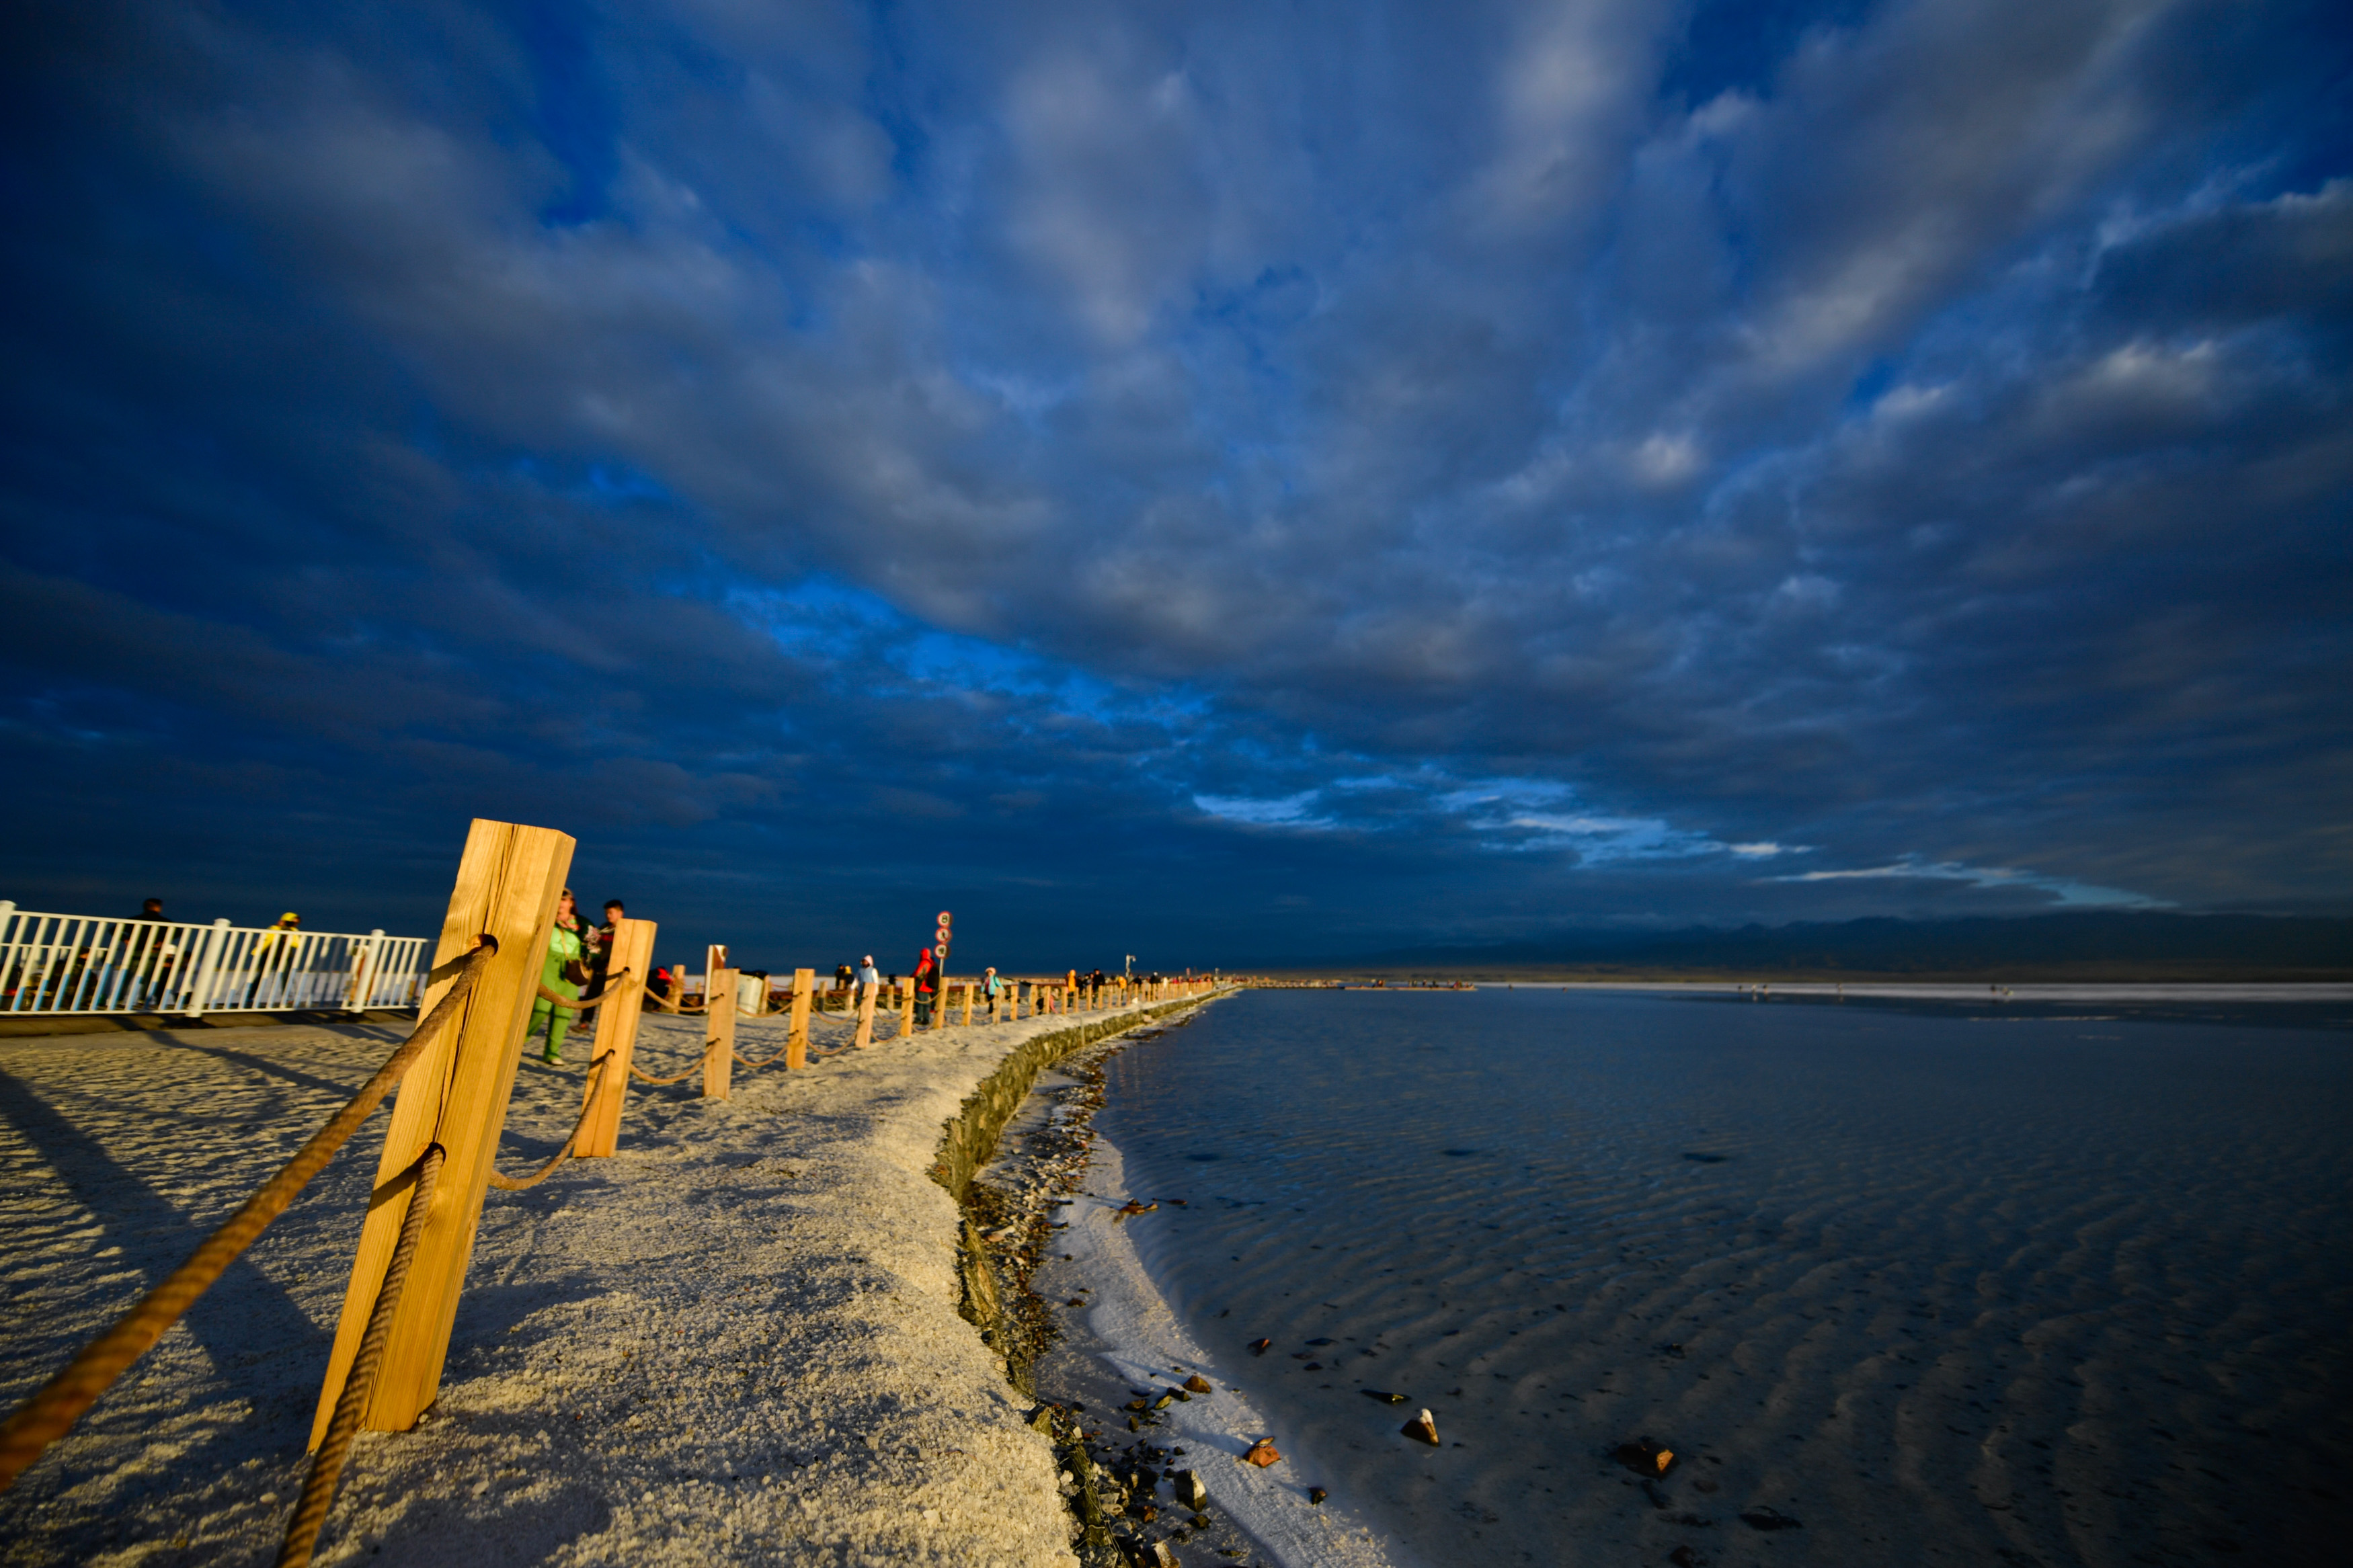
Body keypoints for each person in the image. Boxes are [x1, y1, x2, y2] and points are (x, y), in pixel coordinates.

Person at [527, 889, 592, 1065]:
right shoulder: (545, 918)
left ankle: (552, 1051)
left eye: (564, 899)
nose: (560, 903)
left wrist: (577, 931)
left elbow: (595, 945)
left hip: (572, 968)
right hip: (547, 963)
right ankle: (520, 1041)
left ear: (571, 902)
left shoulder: (583, 923)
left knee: (565, 1012)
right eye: (557, 898)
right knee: (540, 1009)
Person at [247, 911, 301, 1005]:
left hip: (285, 956)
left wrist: (289, 938)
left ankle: (288, 997)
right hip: (269, 955)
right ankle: (250, 996)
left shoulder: (294, 932)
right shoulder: (274, 928)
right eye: (291, 922)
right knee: (262, 976)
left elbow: (297, 944)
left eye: (295, 923)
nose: (293, 925)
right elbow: (266, 940)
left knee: (286, 977)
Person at [584, 899, 625, 998]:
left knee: (611, 999)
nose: (608, 915)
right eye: (607, 913)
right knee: (591, 997)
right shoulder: (604, 928)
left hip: (615, 971)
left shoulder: (625, 930)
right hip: (599, 969)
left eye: (611, 913)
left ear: (620, 913)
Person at [913, 945, 938, 1026]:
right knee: (926, 1003)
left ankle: (919, 1018)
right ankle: (926, 1019)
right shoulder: (931, 962)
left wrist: (913, 977)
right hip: (929, 986)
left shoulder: (924, 962)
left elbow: (919, 973)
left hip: (922, 986)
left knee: (920, 1003)